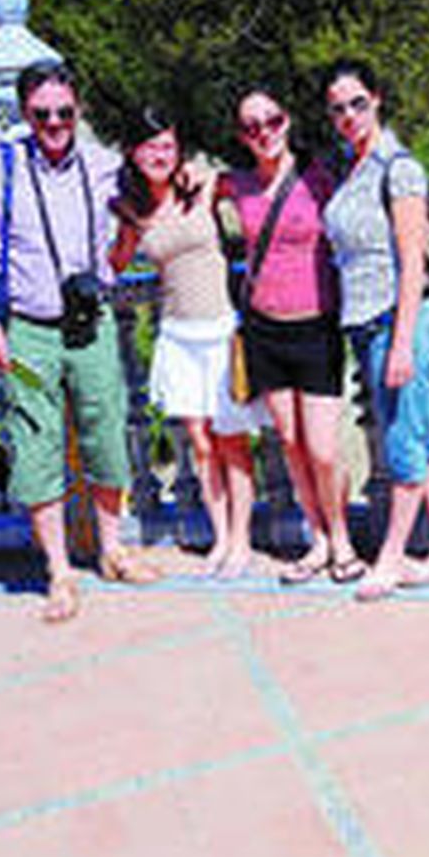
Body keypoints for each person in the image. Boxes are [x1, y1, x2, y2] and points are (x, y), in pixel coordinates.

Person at [0, 64, 158, 622]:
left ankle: (112, 550)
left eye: (65, 112)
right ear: (25, 113)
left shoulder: (102, 164)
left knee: (107, 434)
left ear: (78, 109)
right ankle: (60, 572)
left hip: (92, 325)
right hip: (28, 332)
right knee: (36, 446)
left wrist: (133, 229)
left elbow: (130, 233)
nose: (56, 123)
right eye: (42, 114)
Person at [320, 60, 429, 602]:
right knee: (423, 434)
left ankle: (390, 557)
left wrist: (401, 343)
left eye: (358, 103)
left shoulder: (397, 168)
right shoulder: (351, 166)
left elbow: (411, 264)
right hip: (365, 323)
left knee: (403, 441)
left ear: (377, 99)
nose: (349, 116)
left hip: (395, 322)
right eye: (338, 108)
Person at [108, 108, 265, 578]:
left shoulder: (204, 185)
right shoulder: (132, 210)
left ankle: (241, 541)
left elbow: (254, 184)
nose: (160, 155)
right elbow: (114, 263)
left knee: (231, 440)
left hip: (220, 330)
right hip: (177, 336)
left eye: (168, 146)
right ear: (134, 153)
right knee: (200, 443)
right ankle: (221, 537)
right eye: (151, 146)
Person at [221, 88, 364, 585]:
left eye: (272, 120)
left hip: (316, 326)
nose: (264, 132)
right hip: (265, 329)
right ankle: (318, 539)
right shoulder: (236, 185)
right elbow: (175, 191)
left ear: (287, 121)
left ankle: (342, 539)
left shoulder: (319, 177)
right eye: (251, 126)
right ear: (241, 136)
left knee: (323, 448)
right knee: (290, 442)